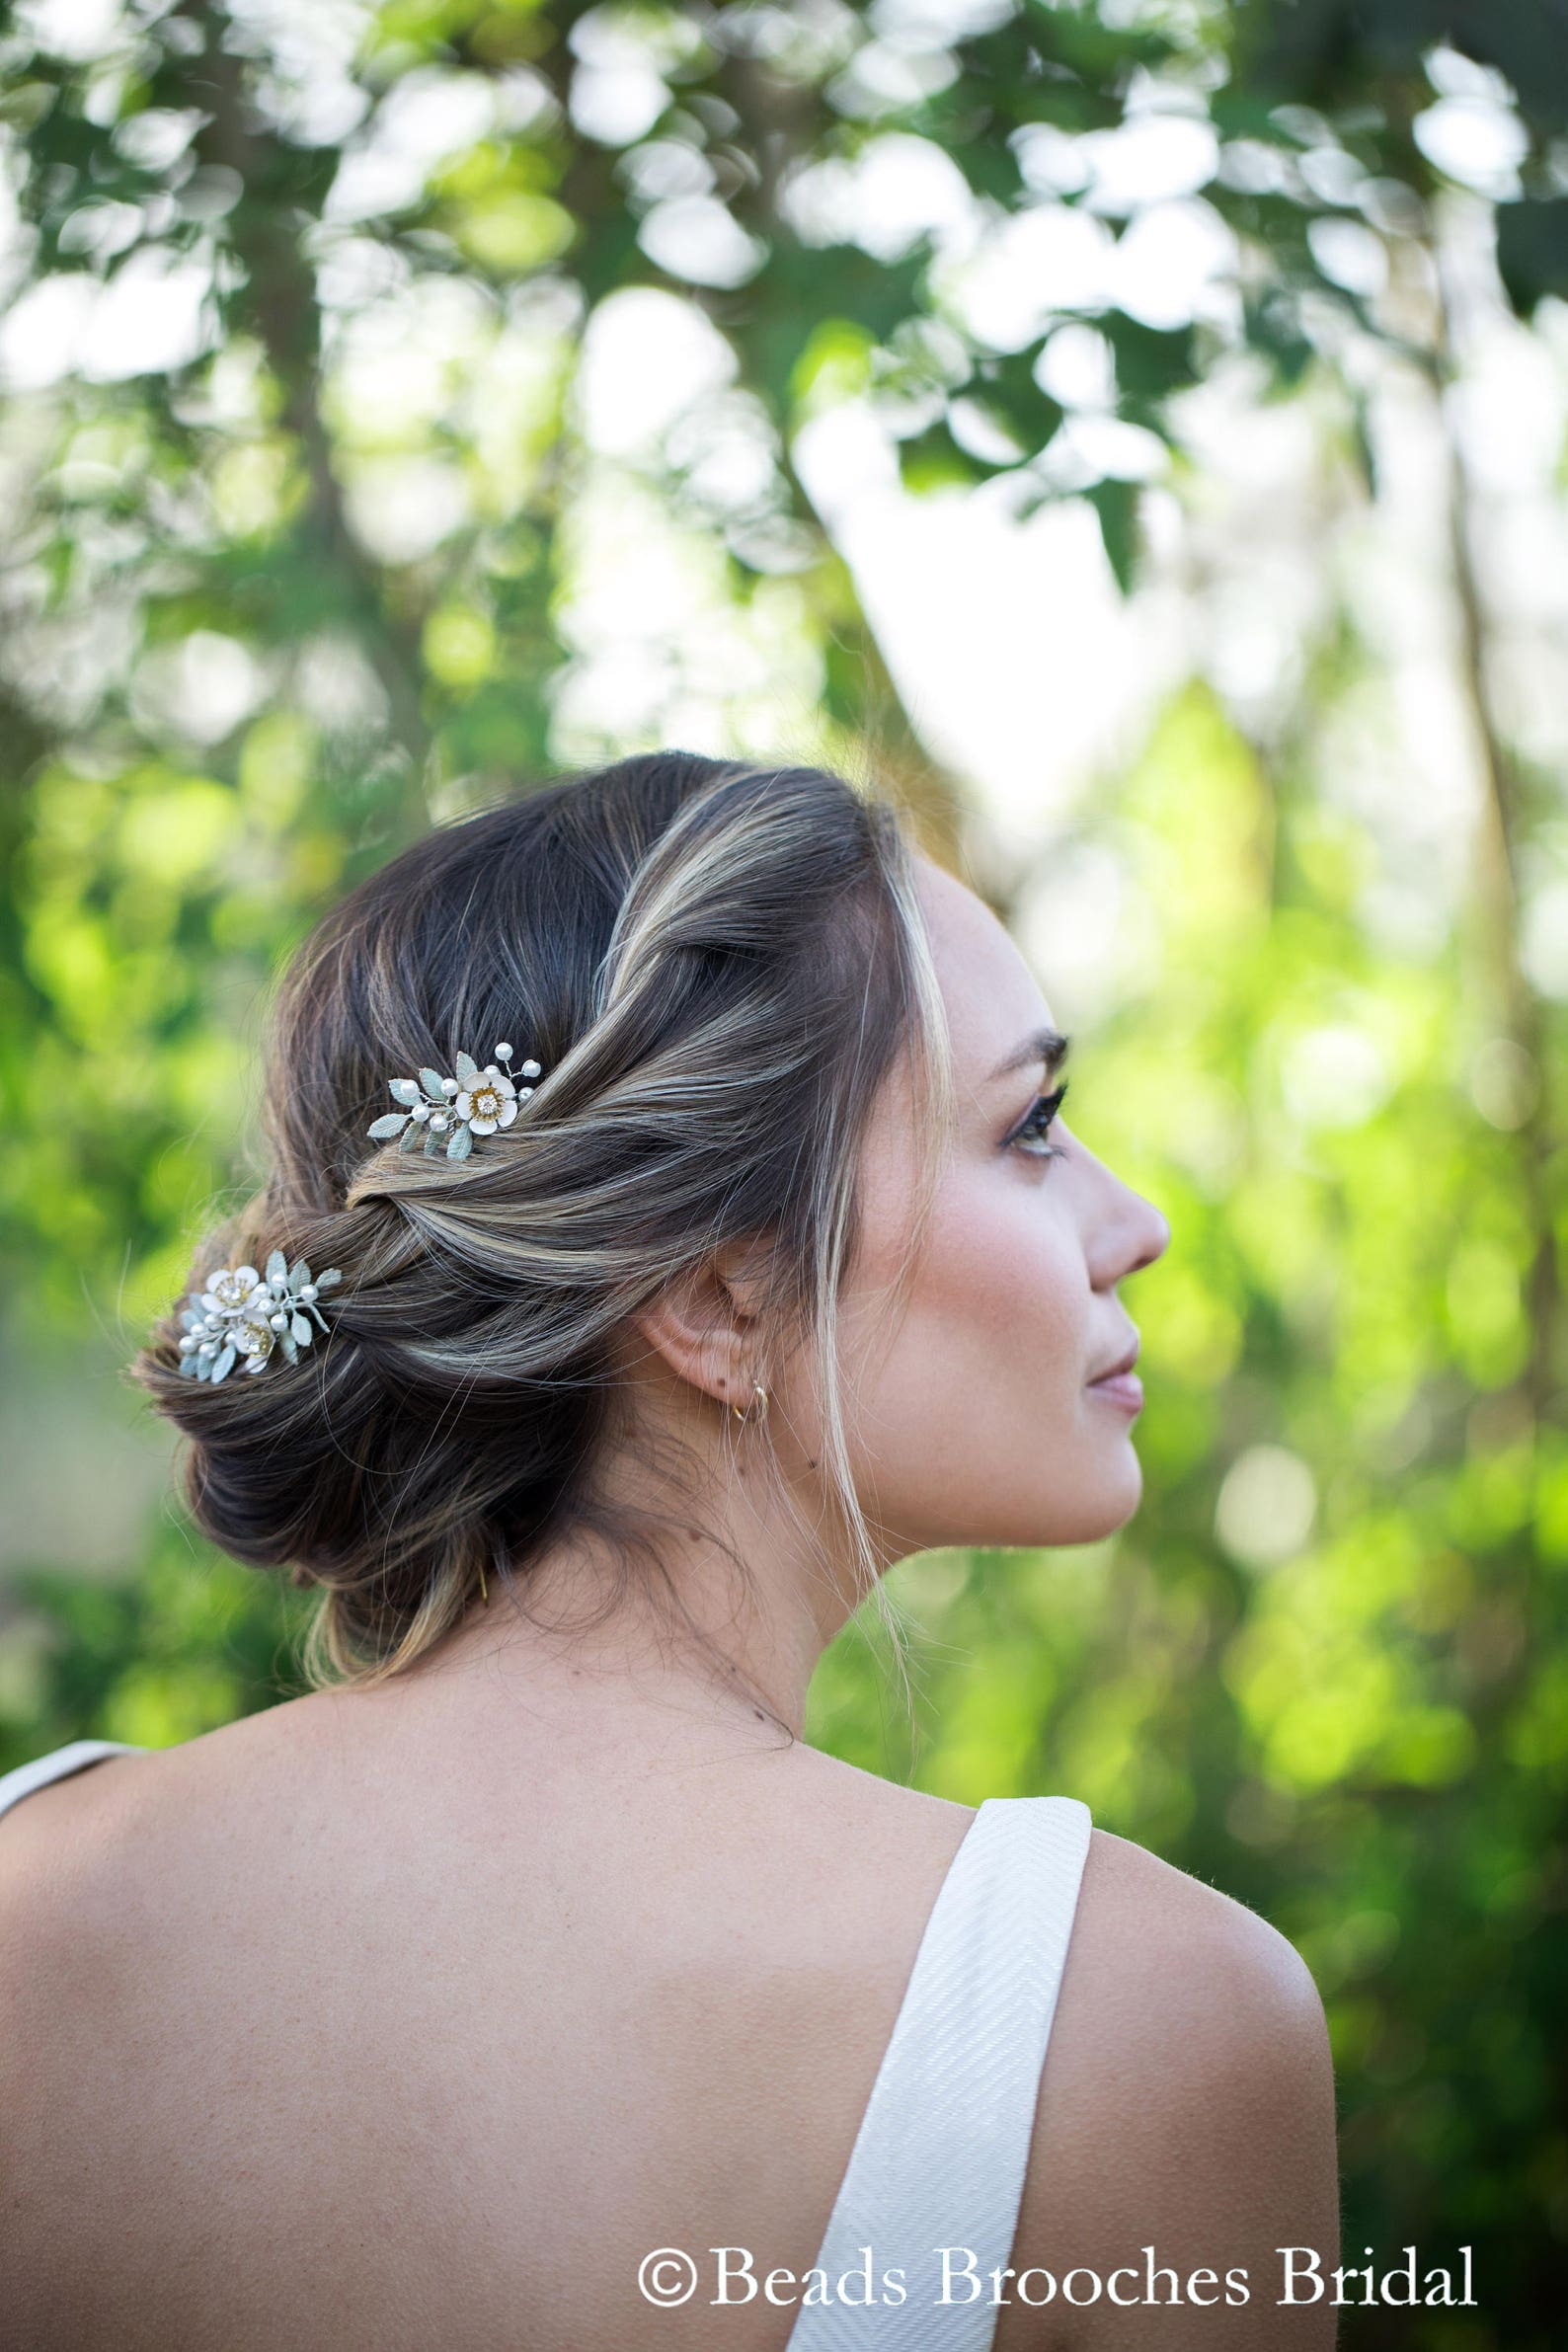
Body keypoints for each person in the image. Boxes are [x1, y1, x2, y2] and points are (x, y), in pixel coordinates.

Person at [0, 753, 1339, 2348]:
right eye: (1031, 1124)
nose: (1138, 1221)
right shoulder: (1131, 2028)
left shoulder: (28, 1894)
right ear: (719, 1300)